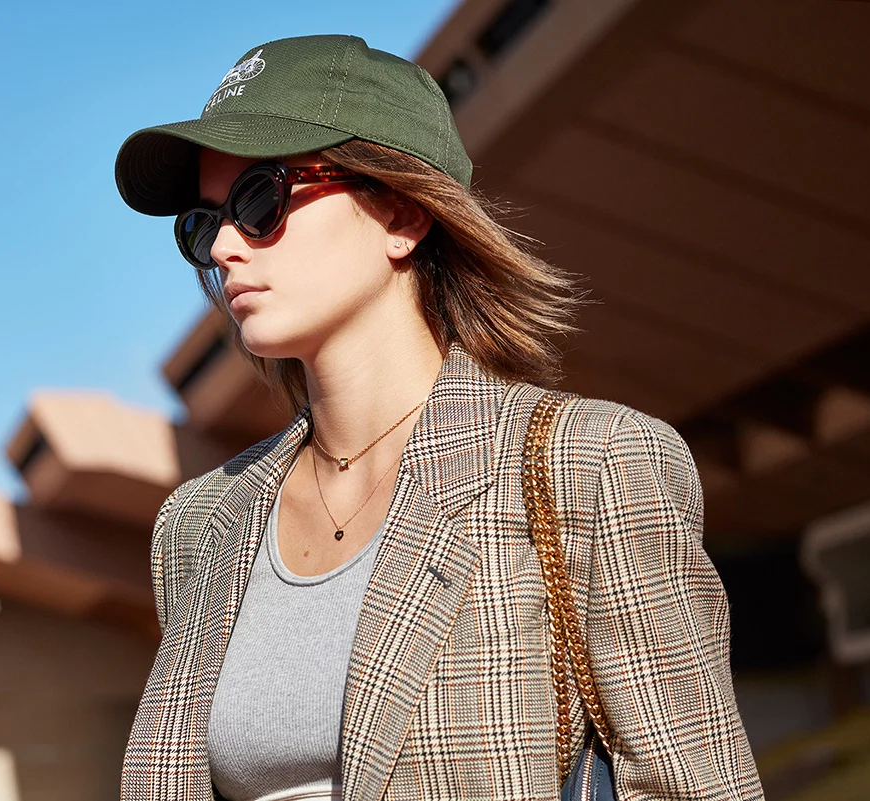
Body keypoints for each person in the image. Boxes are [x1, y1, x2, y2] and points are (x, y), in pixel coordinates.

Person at [113, 34, 763, 801]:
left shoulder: (591, 463)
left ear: (401, 212)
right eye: (201, 222)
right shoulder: (198, 522)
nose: (223, 245)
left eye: (261, 199)